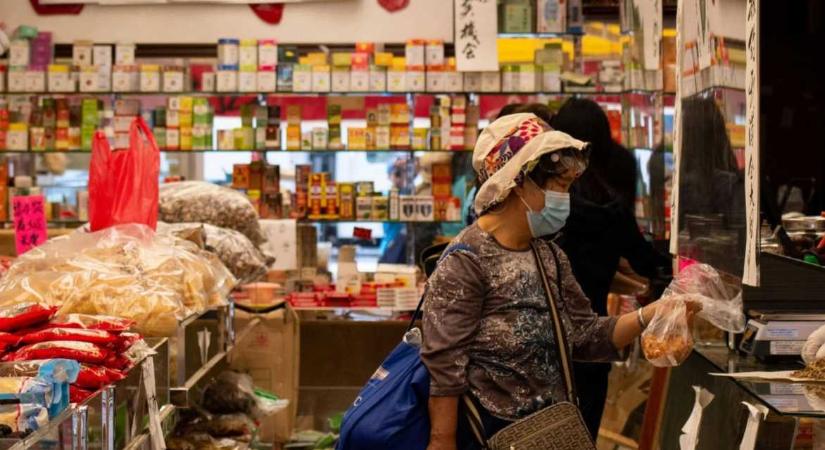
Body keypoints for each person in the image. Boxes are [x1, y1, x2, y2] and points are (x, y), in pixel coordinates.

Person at [421, 113, 695, 450]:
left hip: (548, 435)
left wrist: (652, 313)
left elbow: (585, 337)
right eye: (561, 187)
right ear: (518, 182)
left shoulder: (549, 256)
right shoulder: (466, 261)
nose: (566, 199)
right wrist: (441, 440)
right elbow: (444, 371)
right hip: (489, 436)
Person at [549, 98, 673, 438]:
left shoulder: (546, 205)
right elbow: (643, 258)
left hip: (547, 342)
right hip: (597, 335)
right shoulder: (611, 204)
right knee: (584, 431)